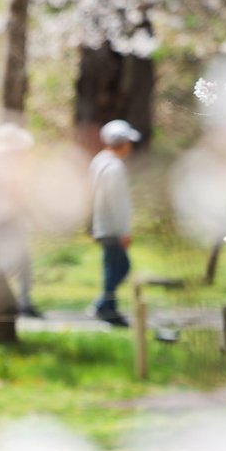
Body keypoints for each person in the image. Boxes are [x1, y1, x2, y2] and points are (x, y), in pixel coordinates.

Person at [88, 119, 137, 328]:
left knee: (113, 266)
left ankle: (107, 306)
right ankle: (104, 306)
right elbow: (117, 203)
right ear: (122, 142)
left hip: (101, 224)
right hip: (112, 227)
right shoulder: (114, 167)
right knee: (120, 267)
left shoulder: (99, 161)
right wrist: (123, 231)